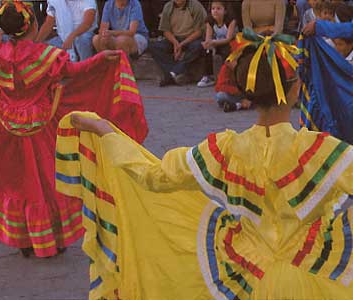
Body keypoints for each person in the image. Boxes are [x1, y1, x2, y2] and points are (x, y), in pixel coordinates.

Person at [56, 30, 353, 300]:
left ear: (245, 90)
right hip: (308, 270)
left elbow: (154, 176)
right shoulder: (318, 149)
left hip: (246, 272)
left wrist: (107, 132)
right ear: (294, 89)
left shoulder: (226, 149)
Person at [0, 2, 147, 258]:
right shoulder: (43, 55)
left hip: (5, 125)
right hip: (42, 126)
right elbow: (75, 71)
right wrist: (101, 59)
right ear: (32, 25)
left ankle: (25, 239)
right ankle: (52, 238)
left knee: (18, 183)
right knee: (46, 184)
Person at [149, 0, 207, 86]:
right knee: (154, 47)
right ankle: (176, 73)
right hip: (174, 39)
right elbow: (165, 30)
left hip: (191, 39)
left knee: (198, 46)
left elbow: (199, 32)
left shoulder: (195, 6)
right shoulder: (168, 6)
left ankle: (172, 74)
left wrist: (181, 45)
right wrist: (175, 43)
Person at [197, 0, 237, 88]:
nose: (215, 11)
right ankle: (208, 76)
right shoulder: (210, 21)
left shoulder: (231, 21)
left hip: (229, 43)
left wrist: (213, 42)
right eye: (213, 8)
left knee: (226, 51)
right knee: (206, 50)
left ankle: (227, 77)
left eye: (218, 8)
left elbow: (228, 39)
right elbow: (208, 37)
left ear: (225, 11)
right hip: (216, 43)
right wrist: (208, 44)